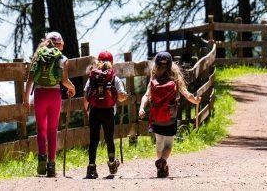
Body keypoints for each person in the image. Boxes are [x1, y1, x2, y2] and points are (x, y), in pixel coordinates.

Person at [138, 51, 201, 178]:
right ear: (171, 64)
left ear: (156, 64)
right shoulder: (175, 77)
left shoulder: (154, 77)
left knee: (159, 143)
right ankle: (163, 162)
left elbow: (146, 95)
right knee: (168, 145)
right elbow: (186, 93)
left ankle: (161, 167)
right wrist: (195, 100)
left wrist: (141, 108)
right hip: (170, 118)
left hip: (156, 118)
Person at [23, 32, 75, 177]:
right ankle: (51, 165)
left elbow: (30, 79)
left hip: (39, 95)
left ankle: (41, 160)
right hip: (54, 95)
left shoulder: (38, 55)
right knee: (52, 130)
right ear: (60, 44)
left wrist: (26, 99)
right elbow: (64, 81)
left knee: (41, 129)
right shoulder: (62, 59)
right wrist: (73, 88)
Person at [83, 51, 128, 179]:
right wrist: (124, 97)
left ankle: (91, 167)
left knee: (93, 140)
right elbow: (120, 96)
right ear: (111, 63)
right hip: (108, 111)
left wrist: (87, 112)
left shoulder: (92, 77)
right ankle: (112, 164)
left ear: (98, 62)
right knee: (109, 139)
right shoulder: (114, 77)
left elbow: (86, 96)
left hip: (94, 111)